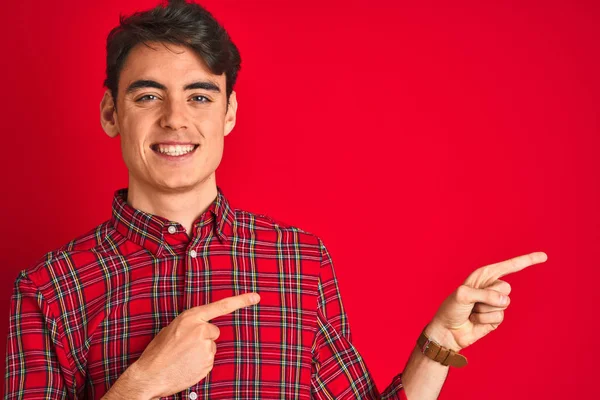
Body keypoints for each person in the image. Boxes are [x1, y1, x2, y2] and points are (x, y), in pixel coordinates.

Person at [4, 0, 547, 399]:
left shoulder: (300, 262)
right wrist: (144, 383)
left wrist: (438, 342)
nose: (176, 119)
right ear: (110, 113)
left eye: (200, 95)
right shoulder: (47, 290)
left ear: (229, 114)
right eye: (148, 96)